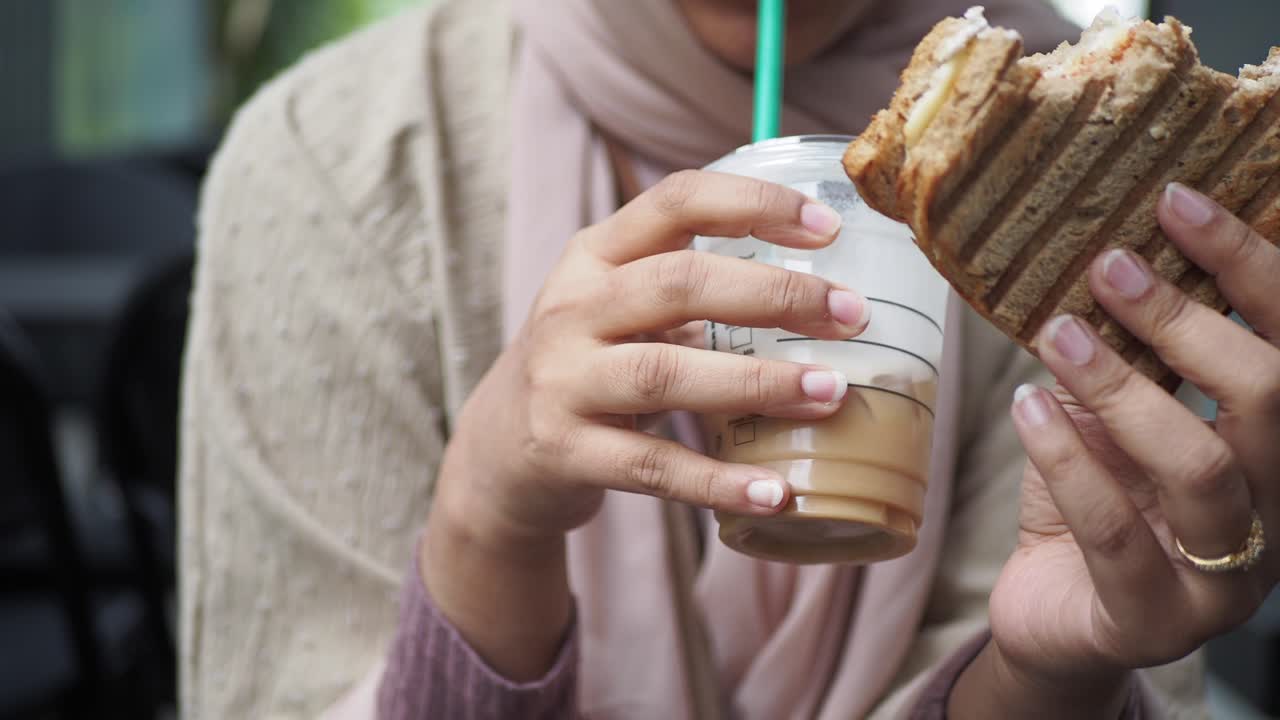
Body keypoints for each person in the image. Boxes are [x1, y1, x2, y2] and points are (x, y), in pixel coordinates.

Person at [179, 0, 1277, 717]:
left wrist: (1046, 678)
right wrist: (485, 521)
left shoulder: (1083, 170)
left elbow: (1078, 634)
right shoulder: (331, 164)